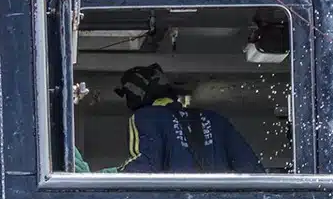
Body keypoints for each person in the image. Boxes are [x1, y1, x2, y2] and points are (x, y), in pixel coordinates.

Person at [113, 64, 263, 173]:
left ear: (134, 97)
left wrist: (108, 175)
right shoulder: (216, 119)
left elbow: (145, 167)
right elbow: (253, 170)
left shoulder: (146, 117)